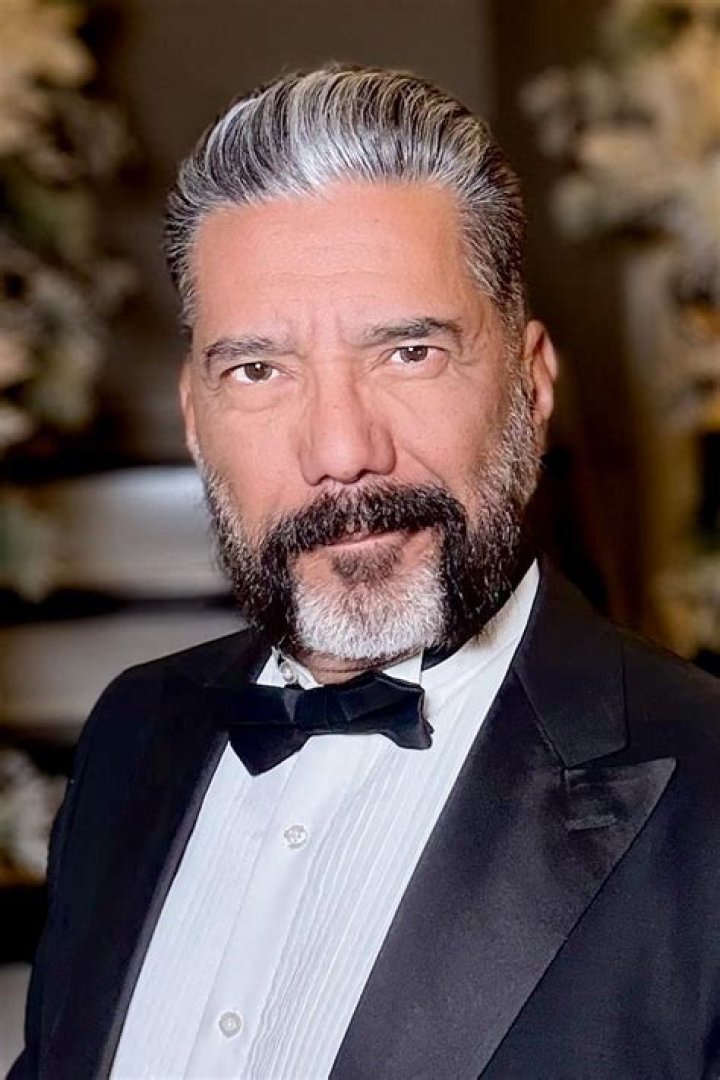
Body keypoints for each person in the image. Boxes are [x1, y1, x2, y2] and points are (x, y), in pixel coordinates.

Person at [10, 66, 720, 1080]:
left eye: (408, 352)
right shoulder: (134, 732)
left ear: (531, 387)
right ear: (196, 421)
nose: (341, 452)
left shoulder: (704, 793)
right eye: (259, 369)